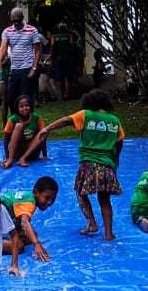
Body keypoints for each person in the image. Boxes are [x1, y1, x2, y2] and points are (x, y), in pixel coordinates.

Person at [25, 89, 124, 240]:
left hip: (89, 164)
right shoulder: (115, 121)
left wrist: (47, 128)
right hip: (107, 165)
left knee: (81, 193)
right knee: (104, 200)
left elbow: (66, 120)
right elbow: (119, 142)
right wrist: (115, 160)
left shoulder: (86, 114)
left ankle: (92, 223)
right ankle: (109, 234)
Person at [1, 175, 58, 274]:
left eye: (52, 200)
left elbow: (19, 219)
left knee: (30, 236)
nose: (49, 202)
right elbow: (24, 222)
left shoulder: (28, 196)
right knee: (19, 246)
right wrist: (36, 244)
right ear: (36, 192)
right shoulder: (30, 202)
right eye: (47, 197)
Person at [0, 8, 43, 120]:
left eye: (18, 20)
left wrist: (34, 68)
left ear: (22, 18)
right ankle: (15, 121)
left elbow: (38, 50)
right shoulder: (7, 31)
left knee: (27, 98)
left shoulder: (32, 30)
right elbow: (3, 47)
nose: (16, 23)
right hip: (14, 69)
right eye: (13, 21)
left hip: (27, 68)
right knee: (11, 98)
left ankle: (30, 122)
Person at [1, 94, 47, 168]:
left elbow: (43, 137)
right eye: (21, 106)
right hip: (17, 152)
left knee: (44, 131)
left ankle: (23, 158)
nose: (24, 108)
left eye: (27, 105)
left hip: (32, 153)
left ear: (30, 106)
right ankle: (11, 160)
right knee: (19, 126)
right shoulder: (12, 120)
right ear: (17, 108)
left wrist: (45, 155)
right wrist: (8, 158)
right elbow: (6, 139)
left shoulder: (36, 118)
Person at [49, 21, 81, 100]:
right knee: (67, 77)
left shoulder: (54, 37)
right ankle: (67, 94)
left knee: (58, 77)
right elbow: (72, 47)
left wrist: (52, 58)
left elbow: (52, 48)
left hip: (58, 59)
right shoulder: (69, 36)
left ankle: (60, 95)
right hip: (68, 59)